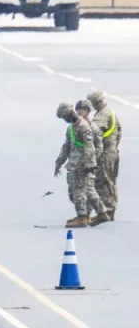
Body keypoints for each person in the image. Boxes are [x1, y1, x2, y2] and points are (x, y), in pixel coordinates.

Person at [55, 102, 110, 227]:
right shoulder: (72, 128)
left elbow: (91, 147)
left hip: (83, 164)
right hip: (75, 163)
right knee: (88, 190)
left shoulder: (84, 127)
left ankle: (82, 218)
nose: (65, 120)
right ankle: (100, 213)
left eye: (65, 117)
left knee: (78, 190)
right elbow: (66, 147)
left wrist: (90, 164)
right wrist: (58, 163)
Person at [86, 91, 122, 220]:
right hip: (113, 152)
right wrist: (113, 147)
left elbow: (93, 133)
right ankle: (111, 210)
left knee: (102, 181)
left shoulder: (102, 115)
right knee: (110, 180)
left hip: (105, 153)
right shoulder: (111, 112)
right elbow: (119, 132)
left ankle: (108, 210)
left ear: (97, 102)